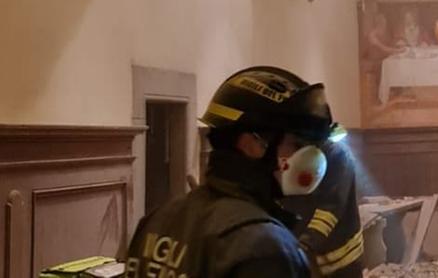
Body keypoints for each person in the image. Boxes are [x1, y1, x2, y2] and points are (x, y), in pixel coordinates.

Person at [125, 66, 338, 277]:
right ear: (252, 144)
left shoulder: (156, 221)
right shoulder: (267, 248)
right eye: (298, 145)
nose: (312, 158)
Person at [283, 133, 365, 278]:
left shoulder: (338, 155)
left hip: (341, 256)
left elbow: (331, 208)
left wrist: (306, 244)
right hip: (306, 254)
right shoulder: (286, 154)